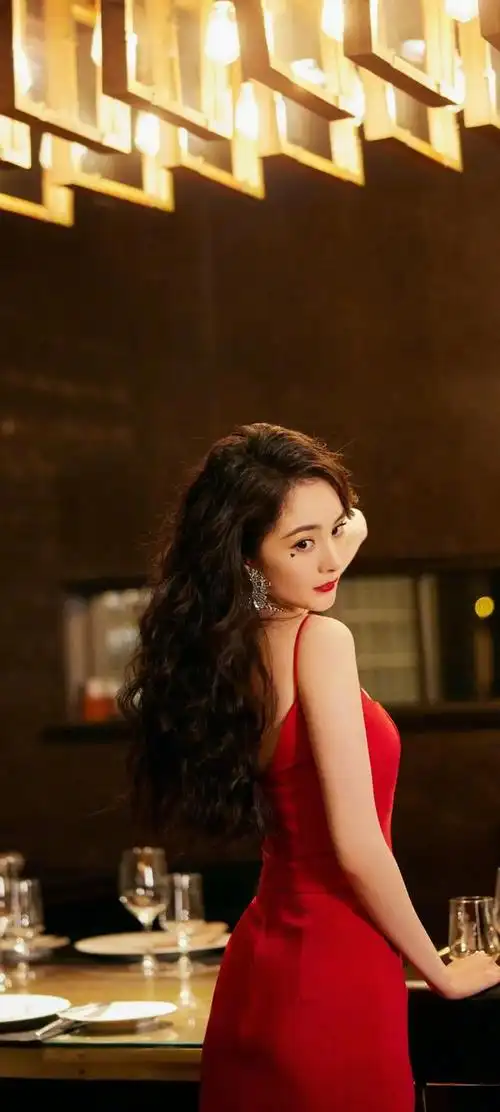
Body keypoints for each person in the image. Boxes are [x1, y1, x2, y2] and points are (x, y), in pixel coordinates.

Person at [119, 422, 500, 1112]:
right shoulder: (320, 641)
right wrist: (440, 971)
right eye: (302, 543)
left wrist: (317, 531)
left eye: (334, 531)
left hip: (264, 969)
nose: (331, 559)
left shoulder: (233, 651)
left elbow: (328, 540)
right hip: (337, 971)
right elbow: (357, 848)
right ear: (248, 557)